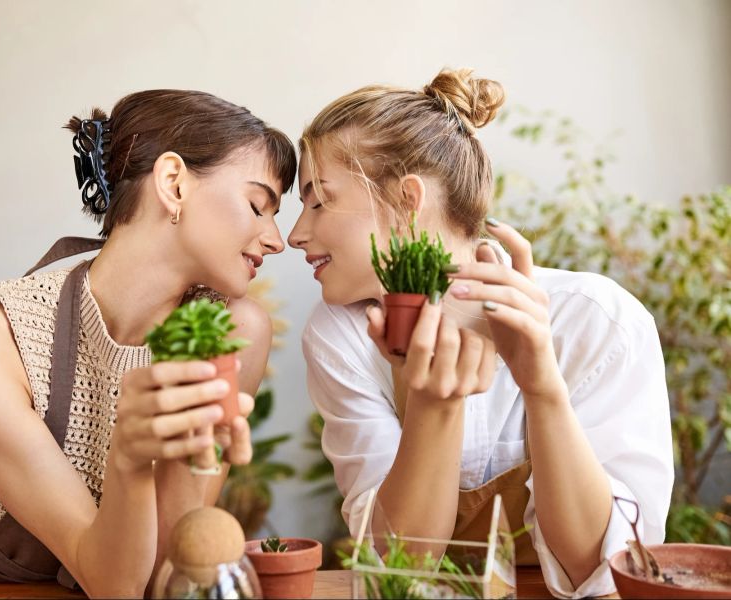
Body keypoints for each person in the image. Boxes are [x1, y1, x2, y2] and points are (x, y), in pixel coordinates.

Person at [0, 89, 297, 598]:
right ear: (173, 184)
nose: (277, 238)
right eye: (259, 206)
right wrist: (130, 453)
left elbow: (156, 572)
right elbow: (108, 580)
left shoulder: (232, 331)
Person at [288, 68, 673, 597]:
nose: (294, 234)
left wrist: (541, 385)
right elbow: (396, 564)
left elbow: (604, 570)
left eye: (318, 201)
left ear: (407, 199)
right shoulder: (343, 334)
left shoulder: (598, 319)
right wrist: (432, 403)